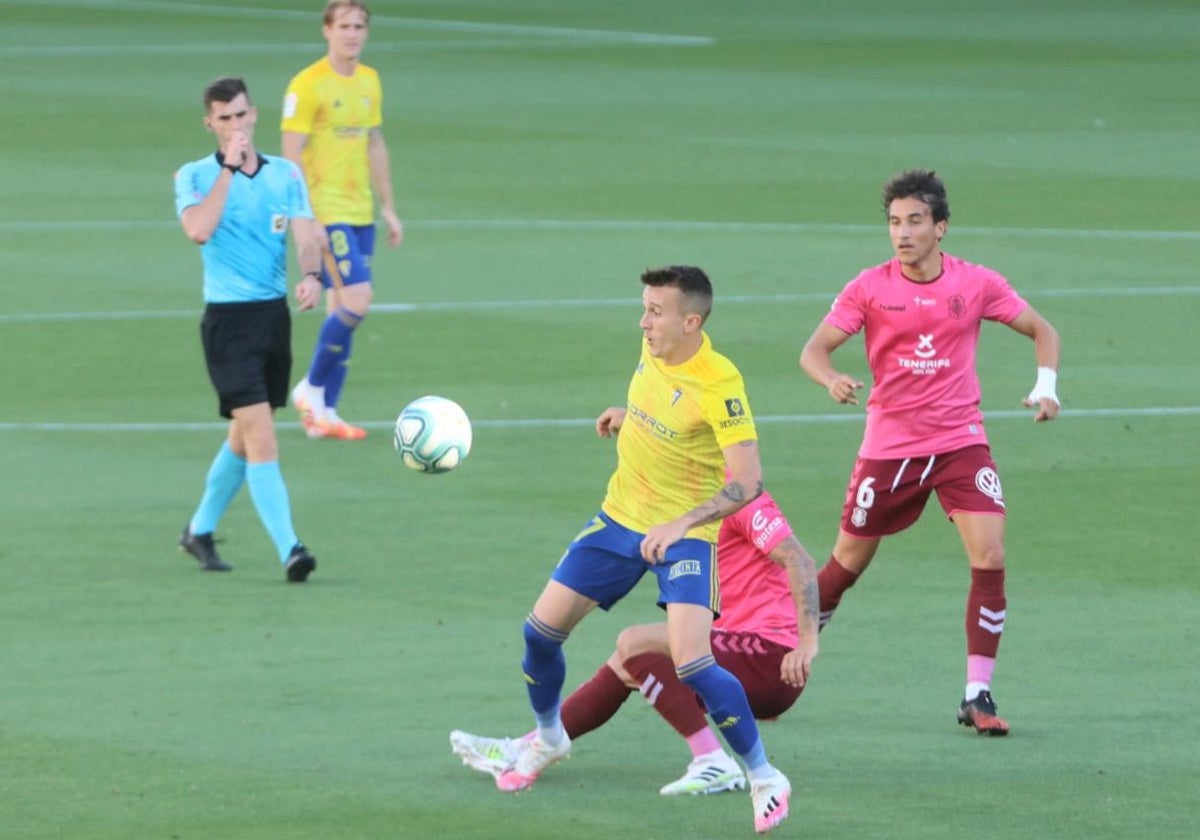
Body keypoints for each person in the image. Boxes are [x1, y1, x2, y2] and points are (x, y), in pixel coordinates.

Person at [458, 266, 793, 834]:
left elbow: (747, 481)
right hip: (620, 518)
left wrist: (684, 522)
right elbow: (662, 409)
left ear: (691, 321)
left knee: (692, 660)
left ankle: (762, 774)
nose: (644, 321)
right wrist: (628, 415)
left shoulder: (720, 382)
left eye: (656, 312)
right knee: (539, 632)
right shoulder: (653, 351)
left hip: (685, 534)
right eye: (643, 308)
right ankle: (546, 739)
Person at [798, 168, 1062, 735]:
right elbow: (814, 351)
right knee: (844, 569)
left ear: (940, 227)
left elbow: (1044, 331)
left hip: (959, 441)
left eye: (915, 221)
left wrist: (1047, 385)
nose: (903, 233)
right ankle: (778, 655)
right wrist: (830, 379)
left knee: (989, 555)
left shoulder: (976, 283)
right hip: (889, 447)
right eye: (894, 222)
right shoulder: (869, 287)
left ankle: (977, 694)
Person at [451, 485, 820, 798]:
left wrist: (806, 643)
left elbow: (799, 559)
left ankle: (713, 761)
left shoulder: (739, 495)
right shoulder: (681, 487)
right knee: (627, 662)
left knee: (634, 644)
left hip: (769, 655)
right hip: (727, 641)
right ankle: (528, 747)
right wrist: (629, 417)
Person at [174, 76, 324, 583]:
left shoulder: (285, 175)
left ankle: (199, 530)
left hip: (272, 320)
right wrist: (229, 171)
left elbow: (305, 235)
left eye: (241, 115)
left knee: (242, 437)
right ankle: (292, 549)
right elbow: (199, 230)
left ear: (253, 114)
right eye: (225, 118)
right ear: (210, 124)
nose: (235, 125)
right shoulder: (194, 177)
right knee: (261, 436)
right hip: (228, 324)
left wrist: (311, 275)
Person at [281, 0, 403, 441]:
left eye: (359, 26)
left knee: (341, 306)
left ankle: (325, 414)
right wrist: (306, 216)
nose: (352, 34)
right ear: (327, 31)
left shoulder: (369, 81)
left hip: (360, 211)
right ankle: (311, 389)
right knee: (358, 299)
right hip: (326, 211)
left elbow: (374, 143)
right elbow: (290, 154)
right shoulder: (308, 85)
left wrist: (388, 206)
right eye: (344, 26)